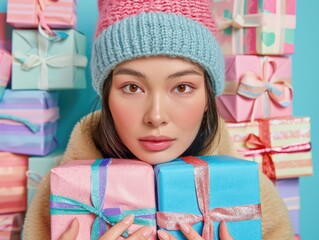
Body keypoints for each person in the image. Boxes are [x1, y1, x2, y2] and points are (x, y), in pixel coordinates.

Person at [23, 0, 294, 239]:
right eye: (132, 87)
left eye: (182, 87)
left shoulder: (252, 193)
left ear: (208, 100)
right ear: (106, 97)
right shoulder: (60, 196)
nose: (156, 116)